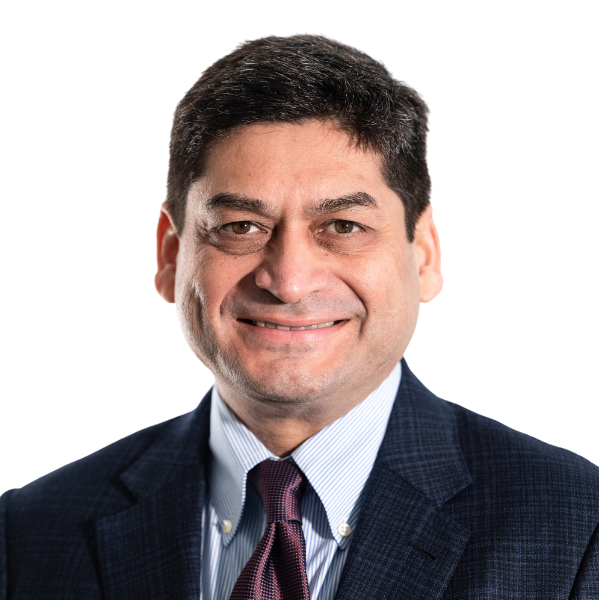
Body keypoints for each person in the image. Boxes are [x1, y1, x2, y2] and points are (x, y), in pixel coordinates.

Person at [0, 34, 597, 600]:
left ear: (423, 254)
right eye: (241, 227)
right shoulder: (27, 537)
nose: (288, 281)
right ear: (171, 254)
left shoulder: (577, 530)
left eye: (343, 226)